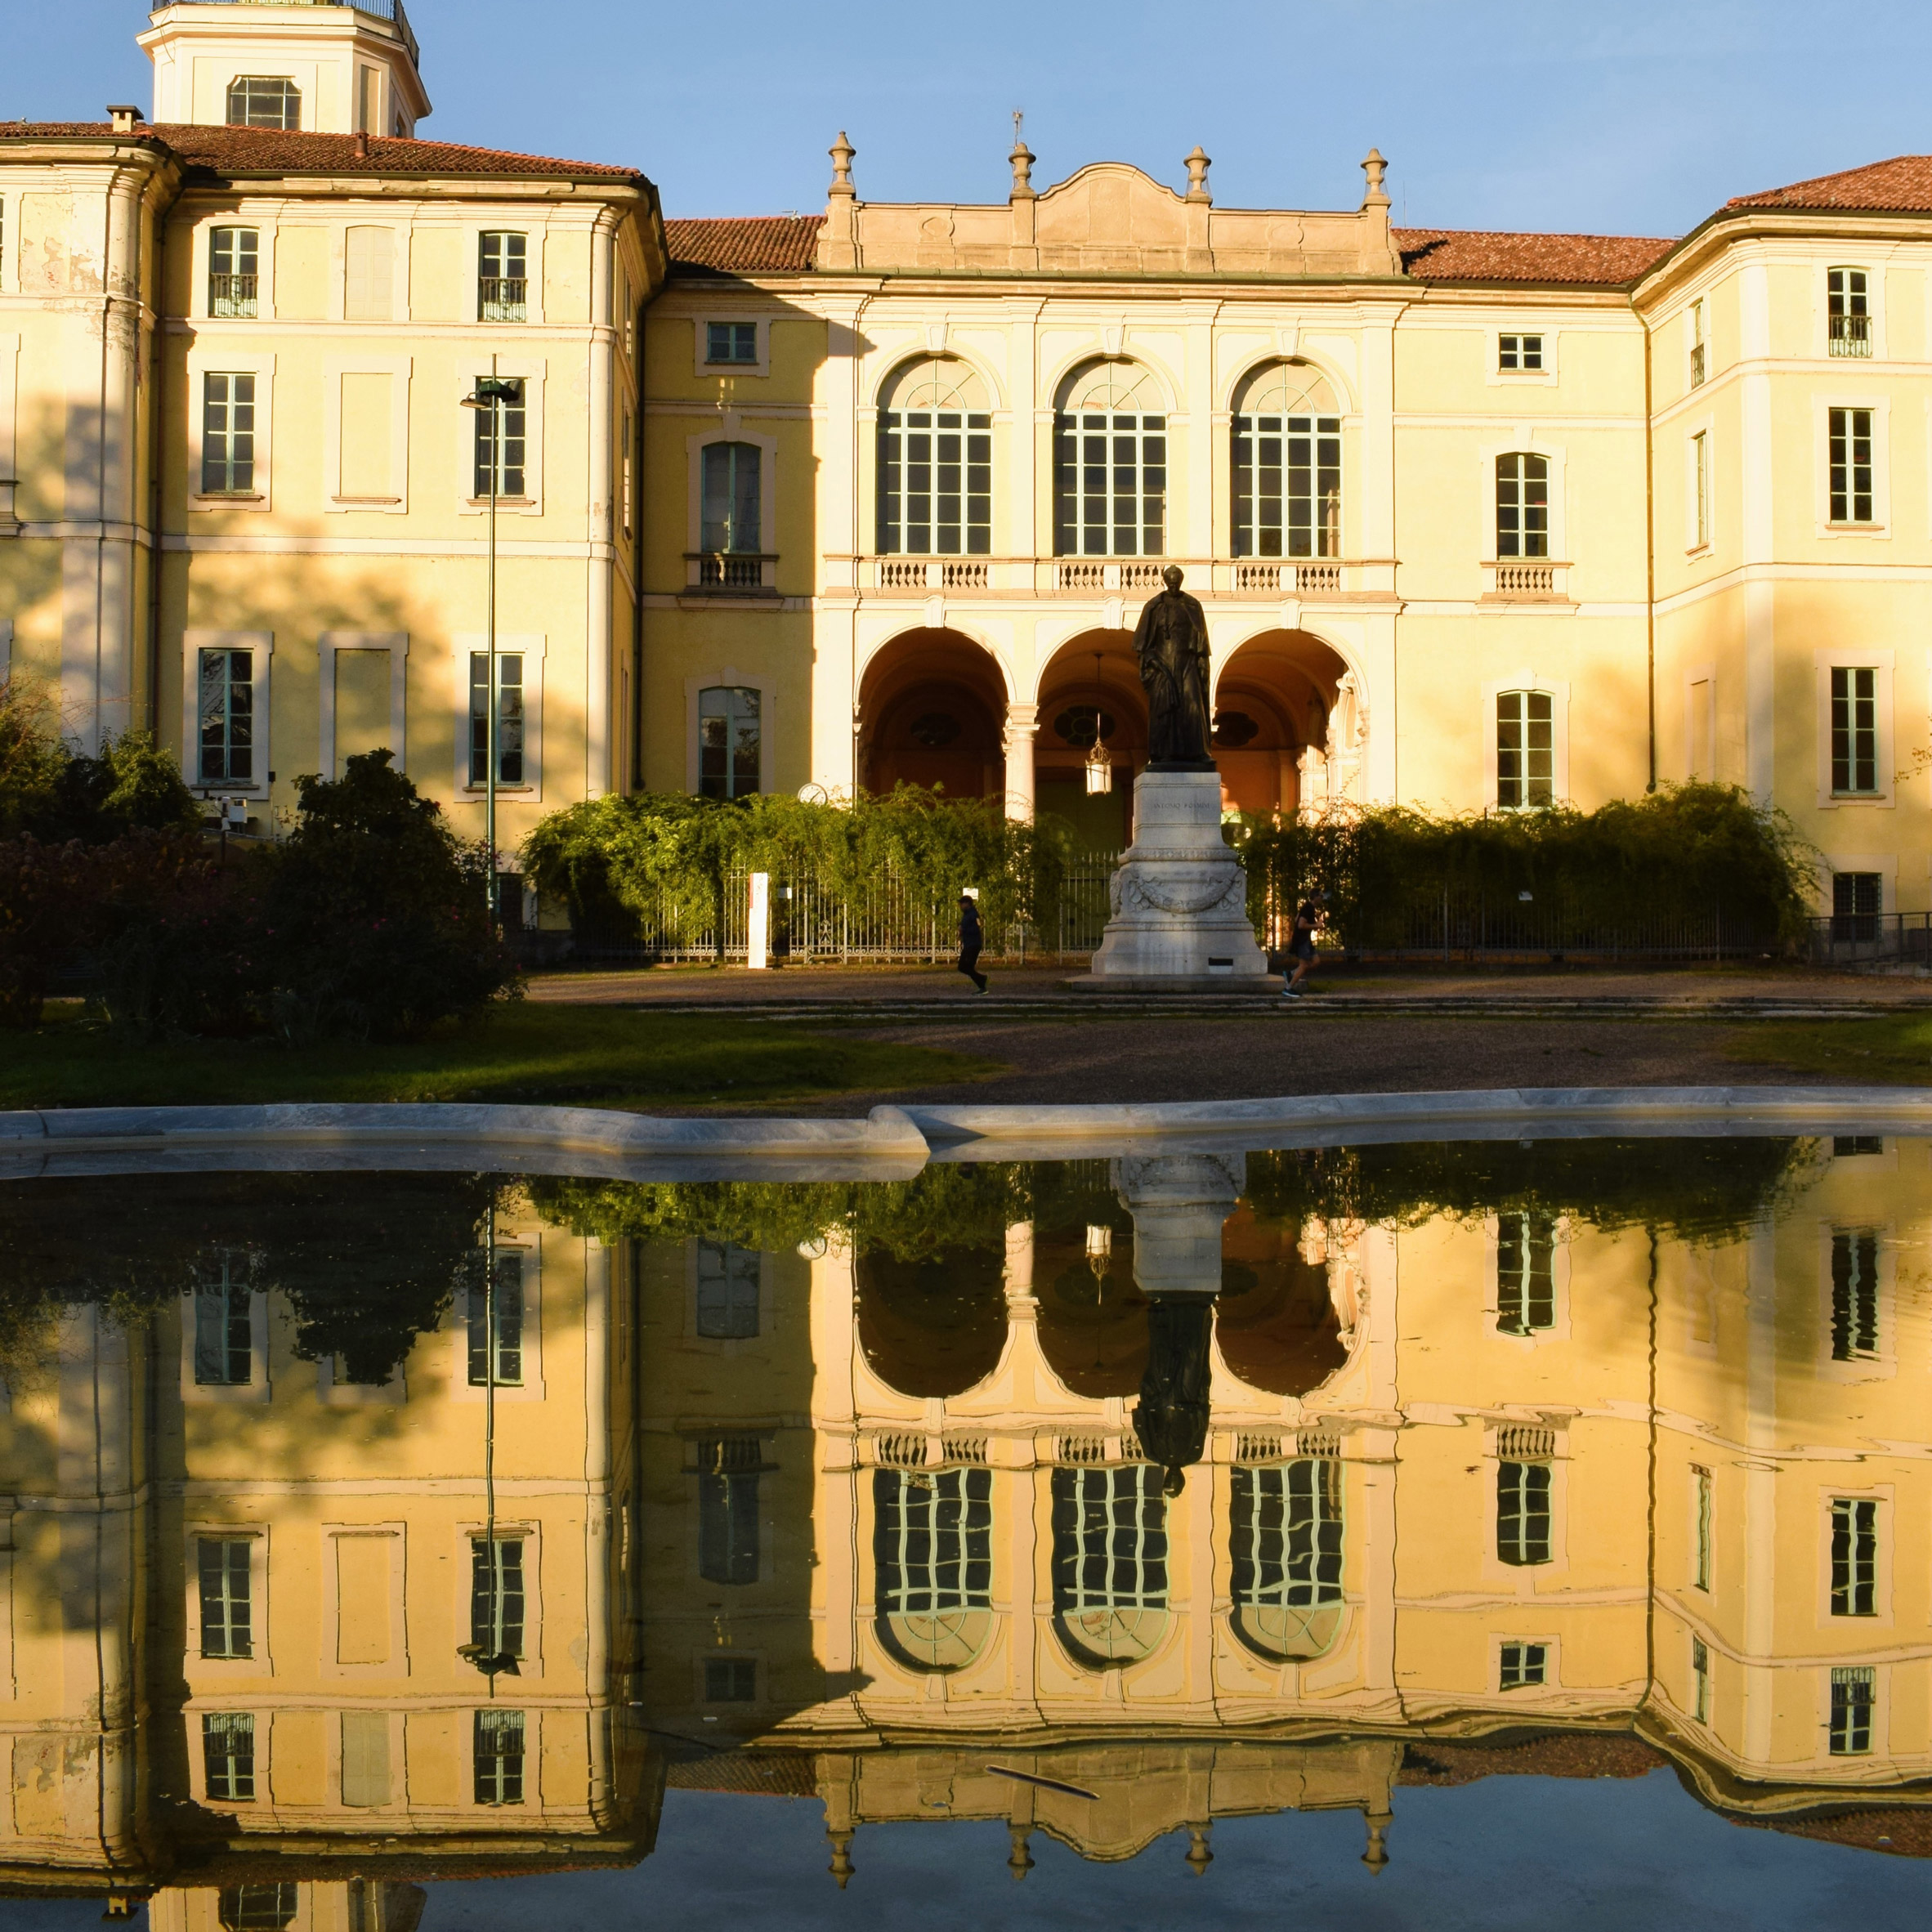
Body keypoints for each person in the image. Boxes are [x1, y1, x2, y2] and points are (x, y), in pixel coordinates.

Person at [1283, 889, 1326, 1000]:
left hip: (1306, 939)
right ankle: (1288, 988)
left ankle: (1291, 974)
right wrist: (1316, 925)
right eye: (1321, 896)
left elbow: (1297, 919)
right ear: (1315, 897)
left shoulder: (1309, 907)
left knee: (1316, 962)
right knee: (1304, 965)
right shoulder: (1308, 908)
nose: (1322, 898)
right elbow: (1301, 925)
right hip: (1301, 940)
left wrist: (1314, 925)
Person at [956, 890, 989, 995]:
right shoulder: (967, 914)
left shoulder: (973, 914)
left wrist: (963, 930)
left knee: (966, 966)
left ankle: (982, 985)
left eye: (962, 903)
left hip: (973, 944)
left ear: (967, 904)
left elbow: (976, 929)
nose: (960, 906)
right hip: (969, 944)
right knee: (963, 967)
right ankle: (982, 980)